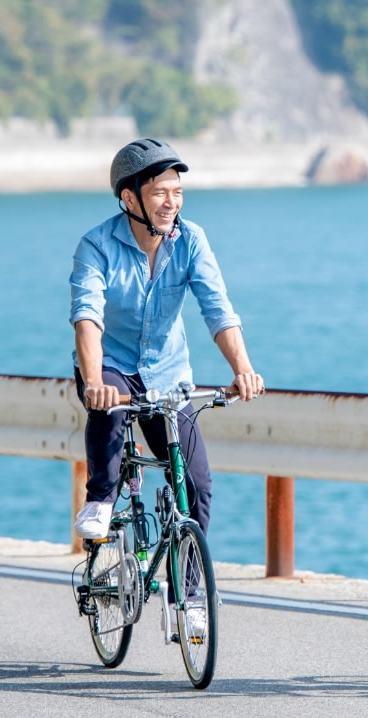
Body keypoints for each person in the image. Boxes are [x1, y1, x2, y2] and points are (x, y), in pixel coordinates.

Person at [69, 138, 263, 547]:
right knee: (110, 403)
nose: (171, 202)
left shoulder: (191, 240)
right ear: (130, 198)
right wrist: (92, 383)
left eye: (177, 192)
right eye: (159, 192)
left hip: (167, 374)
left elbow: (218, 309)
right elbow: (88, 318)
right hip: (111, 367)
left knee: (195, 484)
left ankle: (188, 596)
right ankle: (100, 498)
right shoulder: (96, 246)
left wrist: (242, 369)